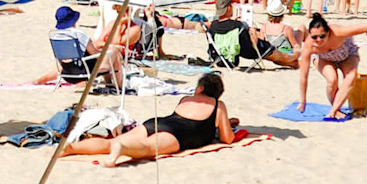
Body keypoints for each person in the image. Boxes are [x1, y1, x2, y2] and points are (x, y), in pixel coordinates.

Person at [61, 72, 240, 166]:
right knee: (147, 148)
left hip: (163, 121)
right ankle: (122, 149)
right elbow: (227, 138)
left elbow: (193, 115)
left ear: (200, 89)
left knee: (111, 142)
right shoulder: (218, 105)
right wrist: (227, 125)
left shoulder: (187, 99)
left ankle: (71, 148)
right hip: (180, 133)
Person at [297, 14, 363, 121]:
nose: (318, 40)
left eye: (322, 36)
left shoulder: (338, 32)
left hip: (347, 54)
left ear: (328, 33)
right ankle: (335, 108)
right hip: (324, 58)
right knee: (332, 80)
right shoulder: (309, 46)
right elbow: (303, 76)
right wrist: (303, 101)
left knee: (350, 77)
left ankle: (334, 110)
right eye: (314, 37)